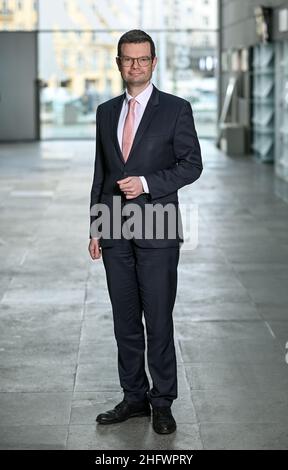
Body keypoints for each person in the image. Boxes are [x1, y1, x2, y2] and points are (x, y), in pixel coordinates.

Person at [88, 29, 203, 435]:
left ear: (153, 62)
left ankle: (163, 401)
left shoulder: (175, 109)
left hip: (157, 224)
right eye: (127, 59)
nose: (134, 65)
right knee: (124, 319)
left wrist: (148, 183)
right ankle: (134, 397)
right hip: (115, 226)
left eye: (142, 59)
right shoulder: (105, 112)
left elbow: (192, 165)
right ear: (118, 63)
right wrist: (96, 226)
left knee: (157, 318)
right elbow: (102, 173)